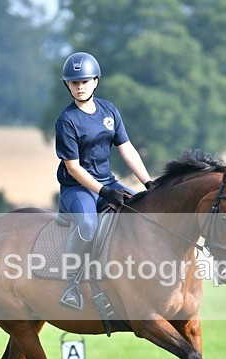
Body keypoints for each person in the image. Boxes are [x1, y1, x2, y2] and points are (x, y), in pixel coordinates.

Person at [55, 52, 154, 311]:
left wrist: (148, 183)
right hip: (77, 188)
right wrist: (103, 191)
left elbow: (127, 148)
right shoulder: (67, 121)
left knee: (142, 211)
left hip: (107, 183)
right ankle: (71, 286)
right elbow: (73, 168)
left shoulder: (109, 110)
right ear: (67, 85)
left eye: (85, 81)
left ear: (95, 81)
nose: (79, 87)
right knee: (88, 225)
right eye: (74, 83)